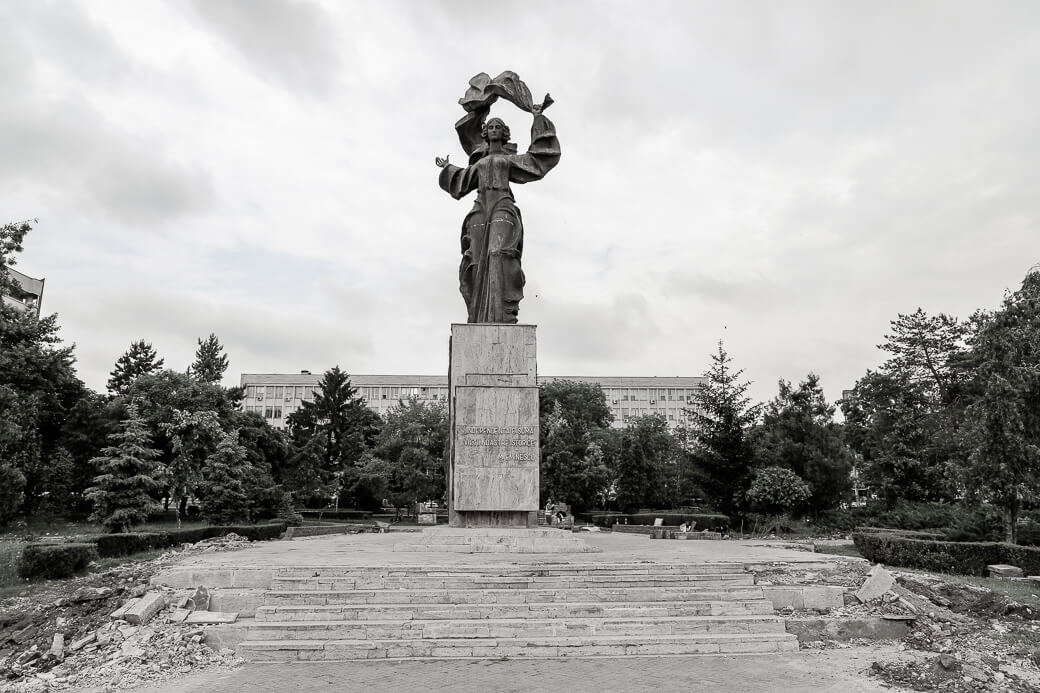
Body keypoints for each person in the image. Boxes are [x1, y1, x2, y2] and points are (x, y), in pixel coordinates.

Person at [435, 109, 560, 323]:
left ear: (505, 133)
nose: (493, 130)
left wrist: (538, 117)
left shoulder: (509, 159)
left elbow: (537, 161)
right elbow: (462, 182)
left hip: (503, 205)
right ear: (486, 133)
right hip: (480, 208)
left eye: (498, 127)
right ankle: (477, 317)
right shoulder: (480, 163)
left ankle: (502, 314)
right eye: (490, 127)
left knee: (499, 252)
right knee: (474, 261)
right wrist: (447, 168)